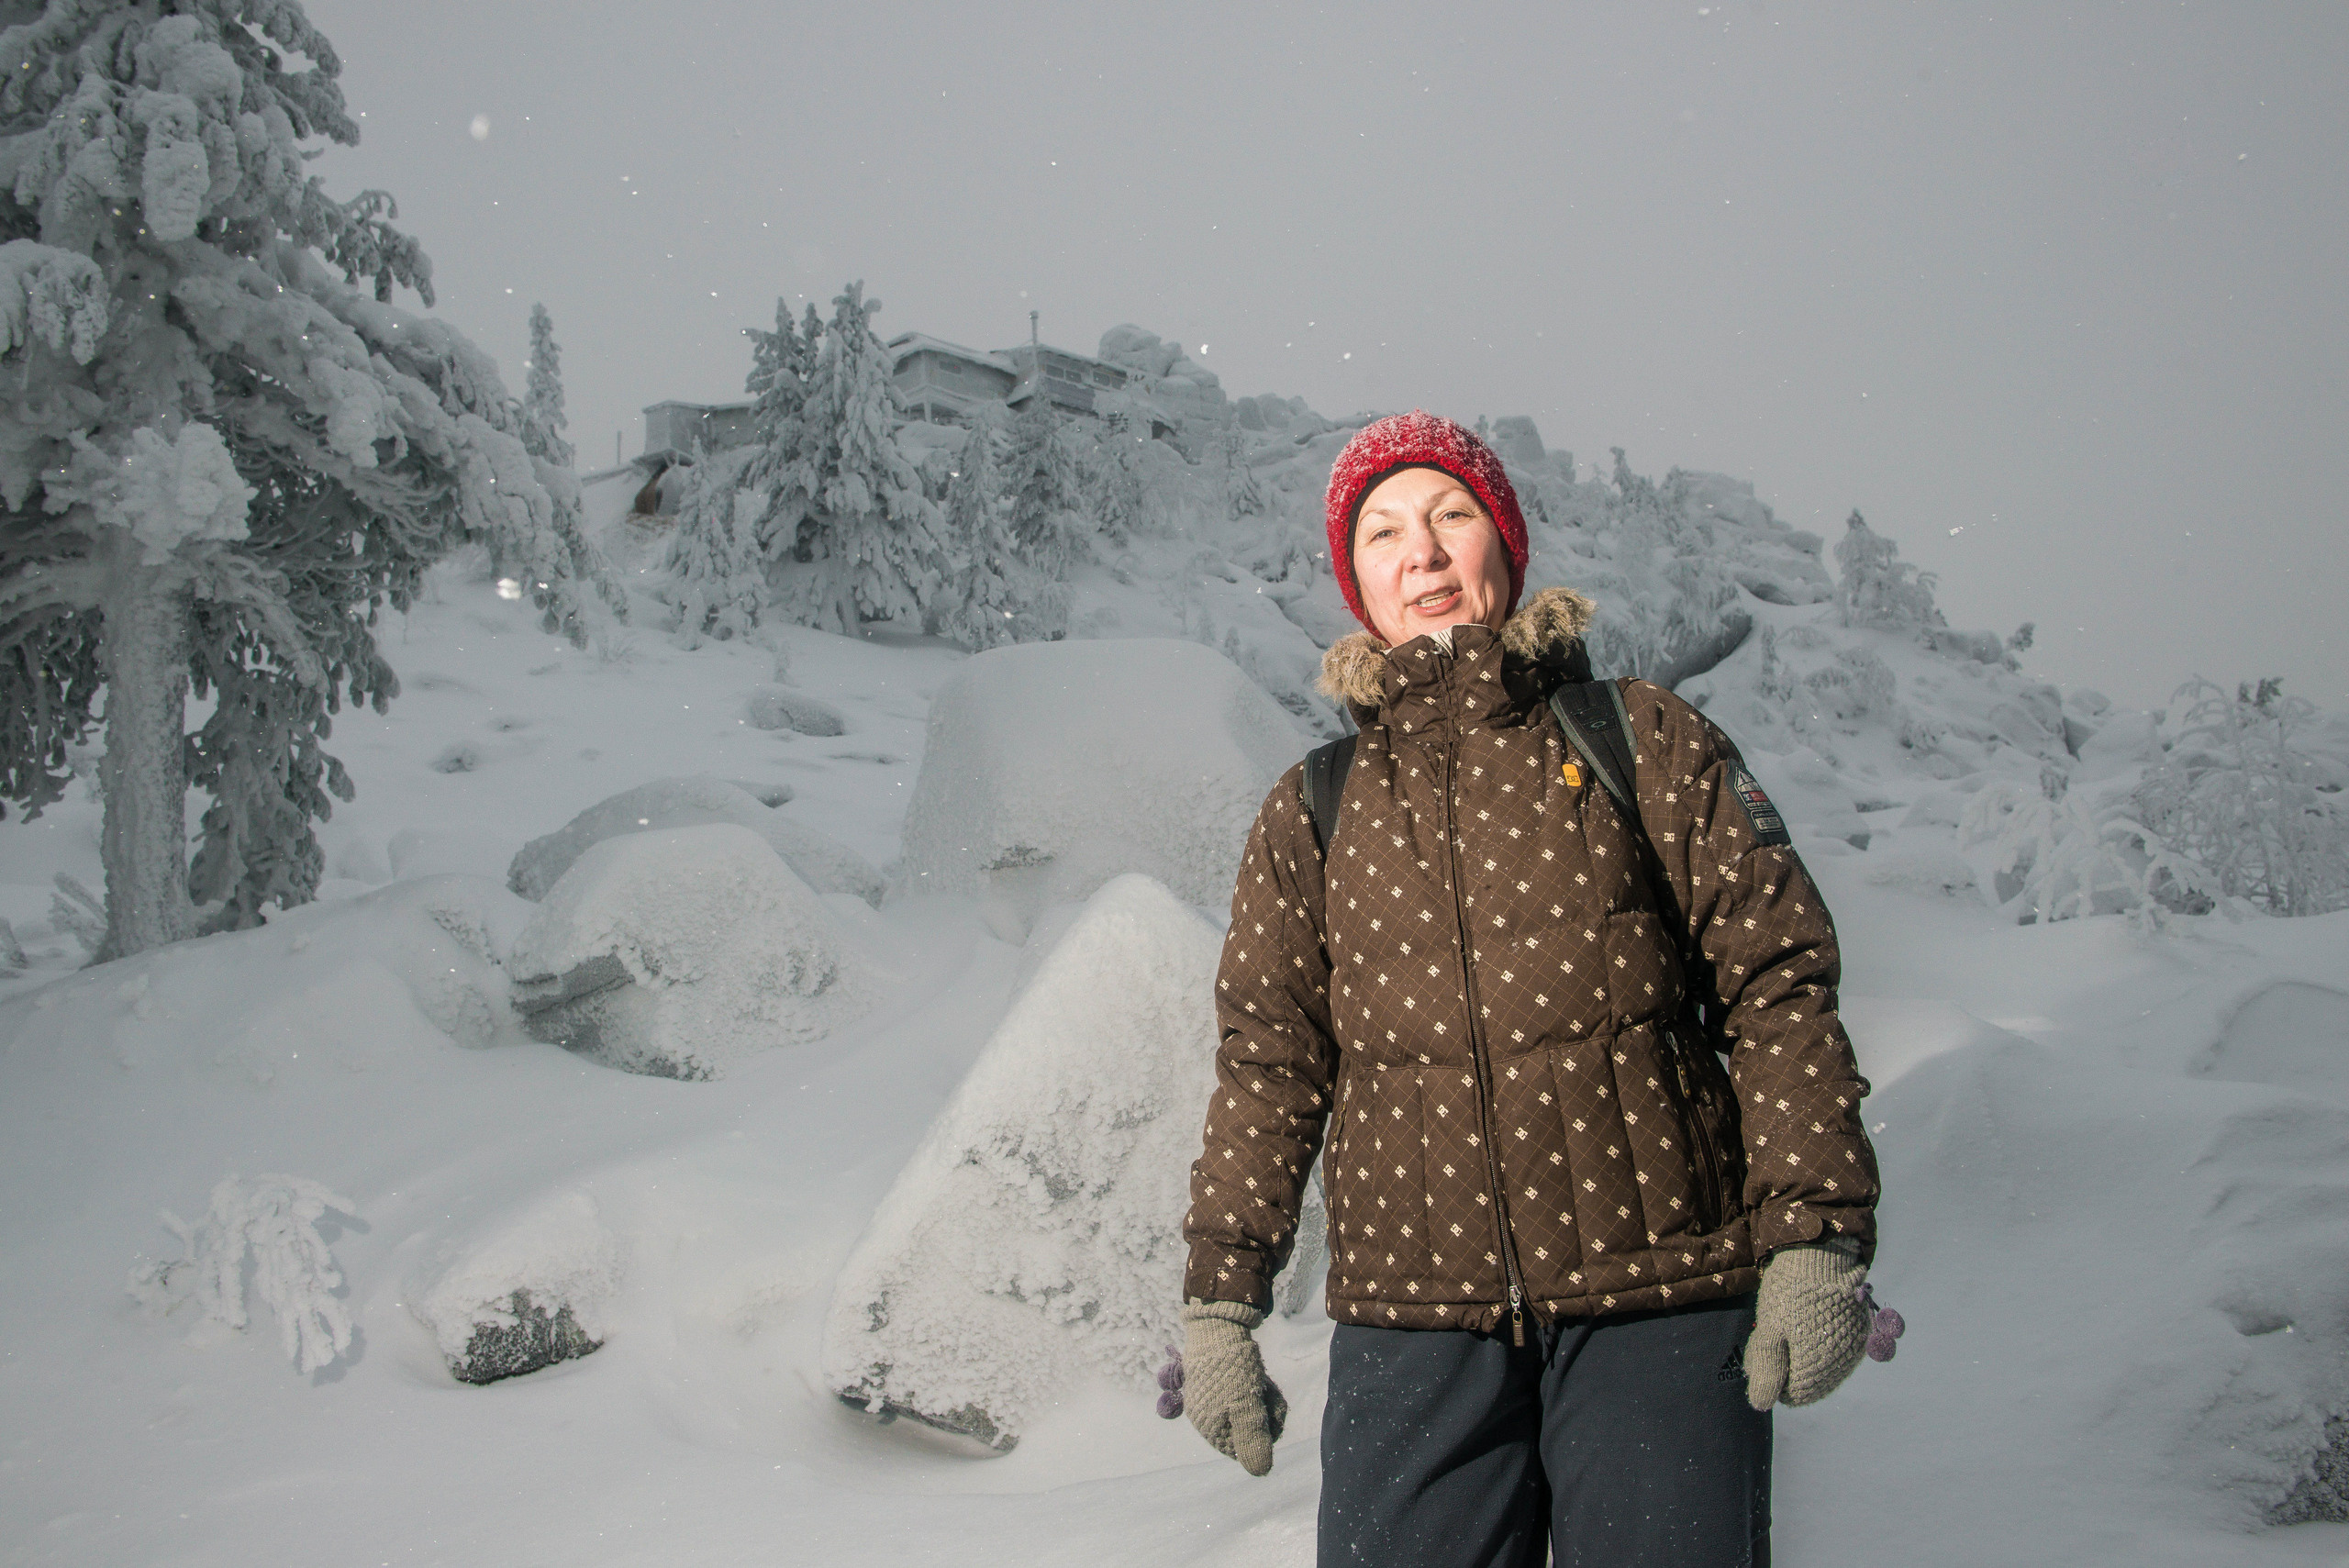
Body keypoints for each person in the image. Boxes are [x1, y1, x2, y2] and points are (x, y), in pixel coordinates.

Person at [1176, 411, 1881, 1567]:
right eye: (1385, 531)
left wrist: (1814, 1237)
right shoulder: (1314, 809)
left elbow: (1777, 985)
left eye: (1453, 515)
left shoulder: (1641, 739)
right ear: (1356, 579)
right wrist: (1219, 1302)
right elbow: (1268, 1069)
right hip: (1413, 1327)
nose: (1425, 552)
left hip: (1661, 1296)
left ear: (1504, 544)